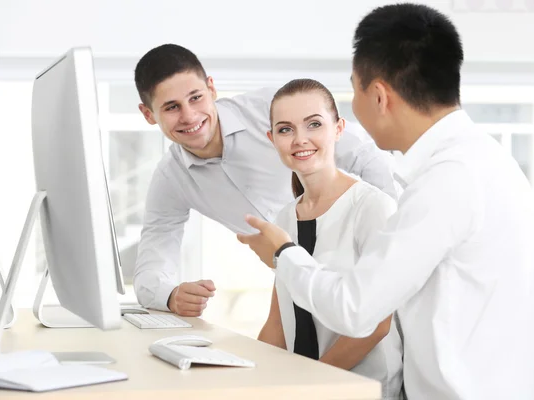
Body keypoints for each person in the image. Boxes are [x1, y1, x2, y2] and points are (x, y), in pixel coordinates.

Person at [237, 4, 534, 400]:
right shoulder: (485, 161)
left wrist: (283, 253)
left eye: (353, 90)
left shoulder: (447, 180)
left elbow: (357, 309)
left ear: (378, 96)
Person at [132, 44, 399, 317]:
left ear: (211, 88)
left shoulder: (275, 110)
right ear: (148, 114)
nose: (189, 116)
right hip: (293, 288)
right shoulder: (171, 178)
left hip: (361, 274)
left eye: (196, 97)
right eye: (171, 107)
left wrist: (396, 242)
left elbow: (367, 158)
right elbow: (150, 270)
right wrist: (170, 296)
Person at [258, 78, 402, 399]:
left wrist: (312, 382)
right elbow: (278, 323)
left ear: (338, 129)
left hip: (358, 388)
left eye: (314, 124)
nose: (300, 139)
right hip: (303, 386)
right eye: (285, 130)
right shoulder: (284, 219)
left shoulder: (373, 207)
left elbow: (378, 324)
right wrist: (254, 379)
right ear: (272, 139)